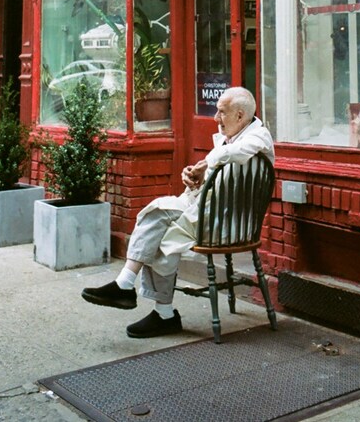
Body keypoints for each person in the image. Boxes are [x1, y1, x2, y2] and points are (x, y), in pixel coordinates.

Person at [81, 86, 274, 339]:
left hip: (229, 223)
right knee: (156, 223)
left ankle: (134, 291)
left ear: (240, 116)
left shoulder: (258, 136)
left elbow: (233, 155)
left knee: (157, 219)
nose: (216, 119)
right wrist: (196, 177)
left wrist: (209, 162)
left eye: (222, 113)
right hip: (205, 210)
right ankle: (158, 310)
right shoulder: (229, 138)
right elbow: (218, 176)